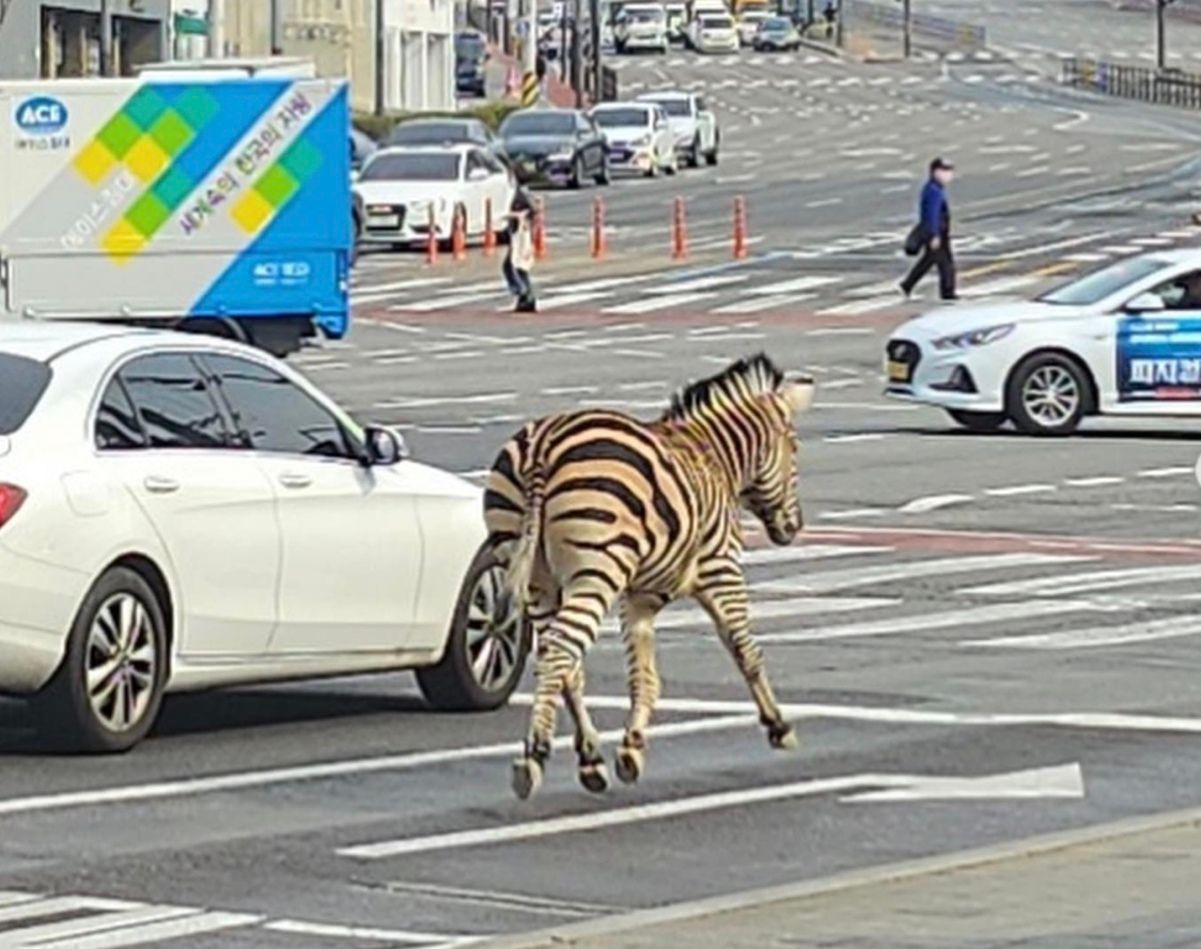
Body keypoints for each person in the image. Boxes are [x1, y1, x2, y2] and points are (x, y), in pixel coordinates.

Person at [900, 157, 957, 302]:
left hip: (938, 230)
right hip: (936, 231)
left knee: (930, 260)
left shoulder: (935, 188)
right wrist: (934, 235)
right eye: (944, 171)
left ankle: (908, 284)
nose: (948, 175)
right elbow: (932, 214)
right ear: (935, 172)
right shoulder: (933, 191)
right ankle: (947, 292)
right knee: (945, 264)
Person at [504, 186, 537, 313]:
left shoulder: (518, 194)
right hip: (519, 232)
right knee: (518, 267)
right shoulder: (517, 192)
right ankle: (527, 297)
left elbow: (530, 210)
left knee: (513, 265)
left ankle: (523, 292)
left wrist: (516, 216)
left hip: (520, 233)